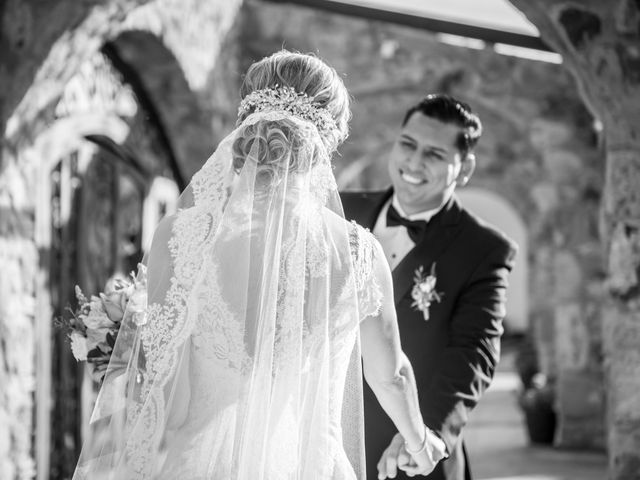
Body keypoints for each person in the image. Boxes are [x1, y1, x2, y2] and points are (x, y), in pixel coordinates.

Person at [73, 51, 440, 480]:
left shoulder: (182, 234)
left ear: (246, 125)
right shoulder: (360, 252)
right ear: (330, 139)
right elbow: (391, 375)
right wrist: (420, 441)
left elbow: (158, 385)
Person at [341, 94, 518, 480]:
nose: (414, 163)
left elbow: (474, 354)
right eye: (407, 144)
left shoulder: (484, 250)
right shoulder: (338, 210)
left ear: (465, 167)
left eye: (435, 154)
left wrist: (427, 432)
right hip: (328, 441)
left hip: (411, 454)